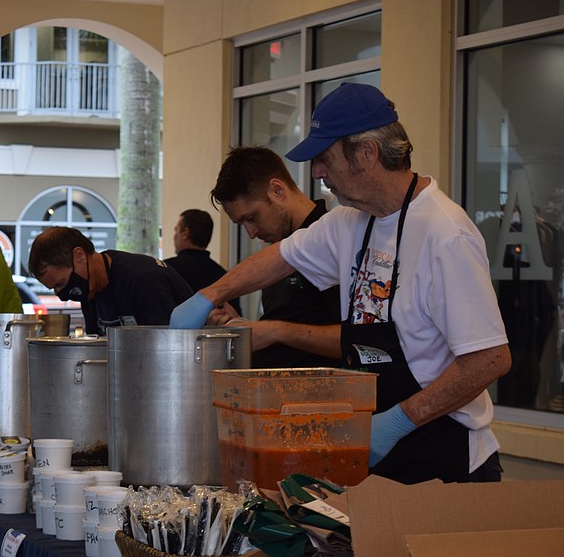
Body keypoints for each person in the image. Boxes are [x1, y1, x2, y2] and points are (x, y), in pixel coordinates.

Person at [171, 83, 511, 485]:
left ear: (367, 153)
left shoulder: (445, 235)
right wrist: (210, 294)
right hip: (376, 448)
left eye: (325, 159)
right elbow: (280, 258)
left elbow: (490, 360)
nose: (317, 172)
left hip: (443, 453)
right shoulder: (349, 220)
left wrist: (399, 421)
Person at [207, 147, 340, 368]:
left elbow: (356, 341)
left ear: (277, 190)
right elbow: (286, 326)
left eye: (252, 217)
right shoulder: (275, 251)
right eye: (242, 224)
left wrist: (275, 331)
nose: (251, 233)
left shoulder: (331, 241)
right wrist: (241, 325)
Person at [29, 226, 194, 335]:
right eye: (55, 289)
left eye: (61, 284)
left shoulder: (144, 280)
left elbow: (166, 350)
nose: (63, 295)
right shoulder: (90, 289)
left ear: (79, 256)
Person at [164, 209, 240, 315]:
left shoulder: (166, 270)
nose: (174, 236)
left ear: (185, 233)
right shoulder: (223, 276)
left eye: (176, 230)